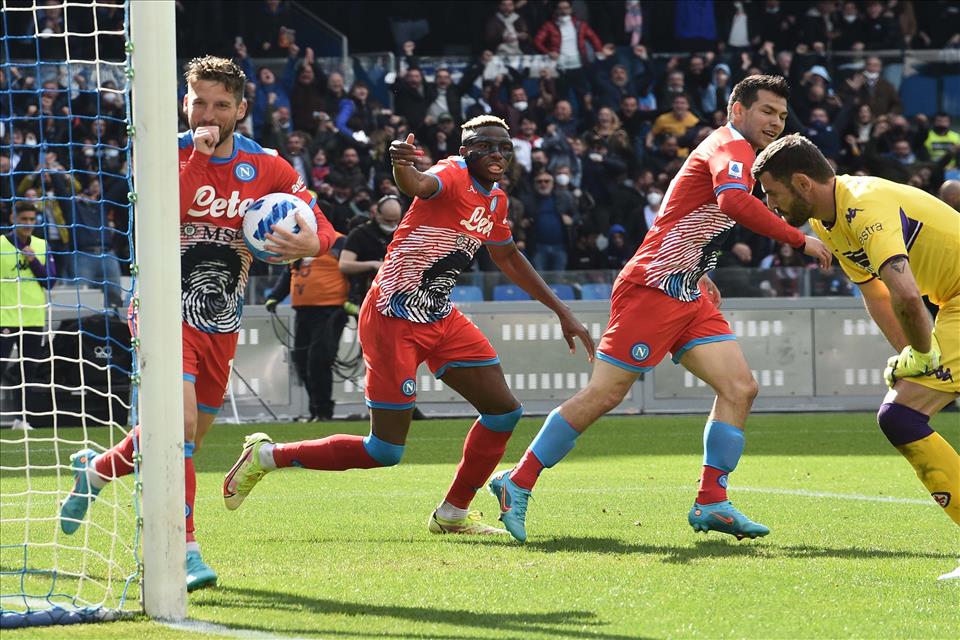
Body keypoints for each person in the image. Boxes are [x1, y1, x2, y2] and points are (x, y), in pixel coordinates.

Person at [488, 75, 831, 543]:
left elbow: (684, 214)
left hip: (686, 288)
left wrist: (699, 267)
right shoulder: (731, 148)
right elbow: (731, 203)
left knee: (740, 387)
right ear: (737, 111)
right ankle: (517, 481)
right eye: (767, 111)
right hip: (652, 288)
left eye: (782, 116)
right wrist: (798, 240)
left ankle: (712, 501)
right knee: (605, 395)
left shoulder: (729, 151)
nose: (775, 122)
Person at [222, 115, 595, 538]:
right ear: (466, 149)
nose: (497, 155)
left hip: (439, 315)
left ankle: (453, 512)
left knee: (503, 412)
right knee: (384, 450)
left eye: (505, 148)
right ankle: (267, 455)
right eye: (486, 146)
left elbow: (507, 257)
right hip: (391, 317)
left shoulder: (496, 202)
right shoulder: (452, 173)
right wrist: (402, 164)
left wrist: (561, 309)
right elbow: (418, 184)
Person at [58, 55, 336, 592]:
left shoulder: (269, 167)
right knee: (181, 425)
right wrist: (199, 160)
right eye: (198, 101)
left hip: (220, 316)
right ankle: (185, 551)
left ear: (241, 109)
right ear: (184, 102)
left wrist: (312, 242)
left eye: (220, 105)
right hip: (161, 306)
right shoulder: (166, 152)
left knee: (187, 435)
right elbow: (165, 211)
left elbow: (319, 221)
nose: (207, 113)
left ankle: (94, 472)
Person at [752, 133, 960, 581]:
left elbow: (905, 293)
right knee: (902, 415)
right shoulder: (826, 224)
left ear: (803, 182)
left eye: (773, 192)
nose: (770, 205)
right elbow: (878, 295)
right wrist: (912, 353)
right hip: (951, 302)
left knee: (902, 416)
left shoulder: (862, 205)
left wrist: (923, 354)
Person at [265, 234, 350, 422]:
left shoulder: (338, 241)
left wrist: (352, 300)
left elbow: (350, 271)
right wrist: (275, 296)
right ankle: (316, 410)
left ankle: (323, 410)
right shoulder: (300, 242)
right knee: (301, 361)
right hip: (303, 311)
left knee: (318, 360)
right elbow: (290, 272)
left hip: (330, 310)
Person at [1, 201, 55, 431]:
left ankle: (21, 420)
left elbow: (50, 281)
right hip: (5, 318)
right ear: (14, 218)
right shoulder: (1, 244)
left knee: (29, 371)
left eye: (32, 220)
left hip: (33, 318)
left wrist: (32, 260)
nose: (28, 224)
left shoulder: (42, 246)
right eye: (24, 219)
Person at [339, 195, 402, 313]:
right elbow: (344, 265)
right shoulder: (360, 233)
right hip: (366, 295)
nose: (392, 224)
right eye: (388, 220)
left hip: (397, 298)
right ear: (376, 214)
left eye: (396, 220)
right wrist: (373, 264)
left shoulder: (402, 234)